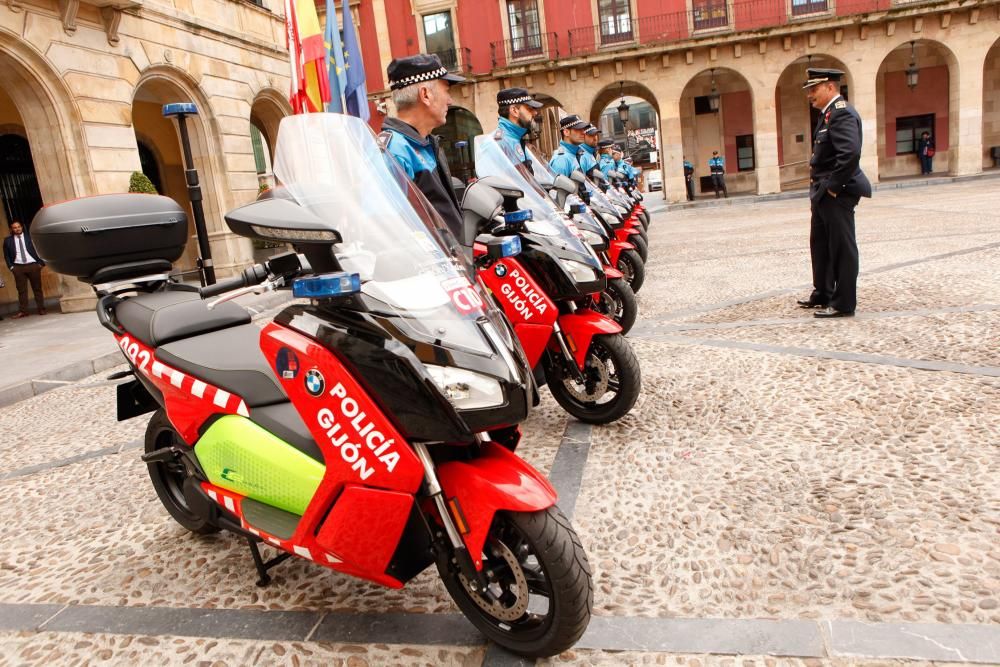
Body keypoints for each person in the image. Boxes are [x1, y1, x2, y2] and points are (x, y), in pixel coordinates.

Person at [796, 67, 872, 319]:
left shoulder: (842, 113)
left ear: (830, 87)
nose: (810, 95)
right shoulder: (828, 115)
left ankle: (844, 303)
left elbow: (849, 154)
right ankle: (824, 292)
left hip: (837, 191)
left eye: (814, 89)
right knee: (821, 245)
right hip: (822, 191)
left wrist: (832, 188)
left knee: (841, 247)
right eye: (809, 90)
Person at [379, 53, 466, 239]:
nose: (450, 101)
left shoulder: (425, 143)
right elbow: (385, 226)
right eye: (446, 91)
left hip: (452, 262)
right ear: (425, 94)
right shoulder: (393, 151)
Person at [3, 221, 46, 318]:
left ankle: (41, 308)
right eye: (14, 227)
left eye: (18, 227)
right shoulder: (7, 241)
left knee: (37, 288)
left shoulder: (30, 237)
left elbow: (40, 248)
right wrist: (11, 267)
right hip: (18, 267)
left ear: (22, 227)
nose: (17, 229)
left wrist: (40, 263)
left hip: (33, 265)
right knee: (21, 290)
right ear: (11, 229)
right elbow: (6, 256)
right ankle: (23, 311)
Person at [493, 87, 542, 167]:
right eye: (529, 109)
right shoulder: (498, 143)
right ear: (514, 111)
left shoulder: (516, 139)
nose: (535, 112)